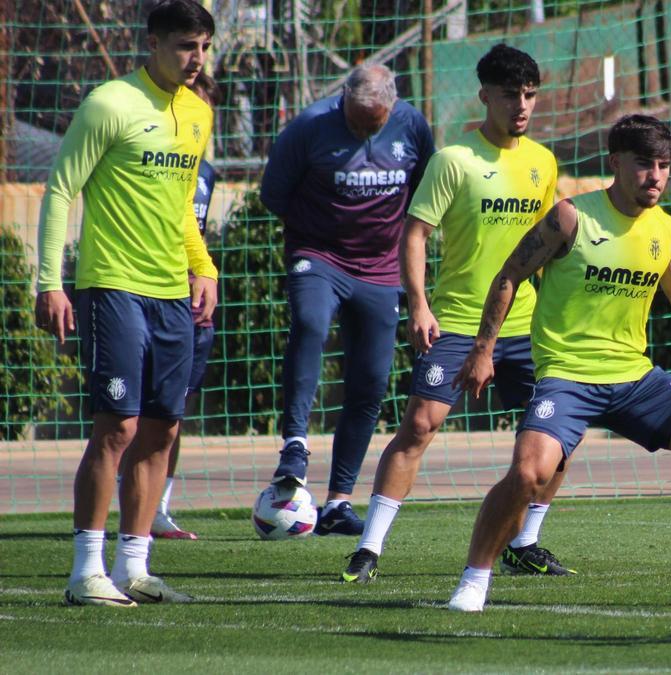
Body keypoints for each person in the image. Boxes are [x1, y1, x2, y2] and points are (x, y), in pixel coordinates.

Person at [445, 114, 671, 612]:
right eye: (643, 165)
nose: (655, 176)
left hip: (634, 378)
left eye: (663, 166)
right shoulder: (570, 217)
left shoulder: (668, 231)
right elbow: (508, 274)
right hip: (567, 377)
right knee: (529, 473)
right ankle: (474, 581)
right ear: (615, 163)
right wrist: (483, 349)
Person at [341, 44, 573, 585]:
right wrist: (418, 304)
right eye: (511, 94)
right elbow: (415, 233)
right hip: (458, 321)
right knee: (420, 426)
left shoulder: (543, 162)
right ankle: (368, 547)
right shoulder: (454, 160)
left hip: (526, 326)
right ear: (484, 96)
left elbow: (549, 245)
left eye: (530, 95)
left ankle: (525, 541)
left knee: (557, 439)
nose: (522, 105)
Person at [36, 0, 218, 606]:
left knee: (163, 430)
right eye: (185, 46)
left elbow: (183, 204)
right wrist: (49, 282)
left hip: (172, 293)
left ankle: (134, 567)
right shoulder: (109, 102)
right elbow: (62, 186)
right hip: (112, 284)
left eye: (203, 48)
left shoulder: (198, 112)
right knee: (118, 426)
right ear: (154, 43)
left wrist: (203, 266)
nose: (196, 60)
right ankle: (85, 570)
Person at [259, 63, 434, 536]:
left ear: (392, 108)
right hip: (319, 257)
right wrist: (321, 225)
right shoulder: (308, 128)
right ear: (342, 99)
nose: (361, 129)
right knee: (312, 323)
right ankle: (294, 445)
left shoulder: (413, 126)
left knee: (371, 381)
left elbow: (424, 195)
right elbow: (273, 194)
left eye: (372, 122)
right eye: (355, 119)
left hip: (381, 268)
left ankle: (338, 502)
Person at [120, 71, 221, 541]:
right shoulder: (141, 155)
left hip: (188, 304)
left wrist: (203, 275)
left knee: (173, 412)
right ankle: (121, 507)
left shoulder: (207, 173)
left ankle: (158, 508)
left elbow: (193, 231)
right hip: (139, 293)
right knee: (123, 415)